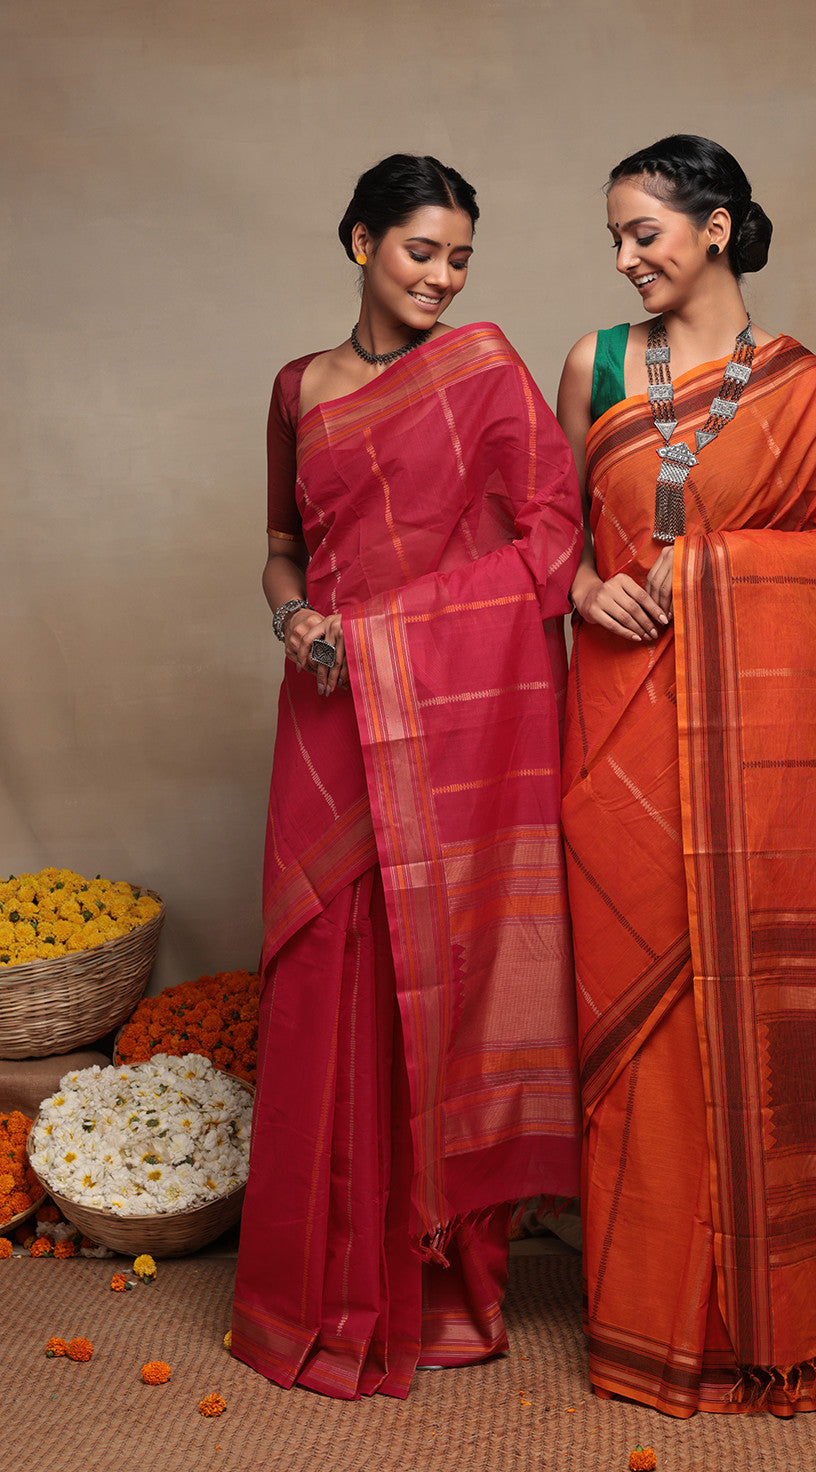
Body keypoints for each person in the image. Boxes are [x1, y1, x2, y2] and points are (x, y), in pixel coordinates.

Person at [558, 134, 816, 1418]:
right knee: (635, 1015)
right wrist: (582, 587)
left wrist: (709, 570)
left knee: (754, 1001)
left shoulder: (804, 389)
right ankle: (648, 1317)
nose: (623, 257)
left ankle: (775, 1307)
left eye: (643, 231)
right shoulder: (595, 365)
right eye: (614, 236)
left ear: (714, 227)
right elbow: (544, 530)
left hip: (752, 751)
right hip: (616, 727)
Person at [232, 154, 583, 1400]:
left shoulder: (483, 372)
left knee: (440, 973)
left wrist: (389, 631)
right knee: (326, 970)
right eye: (420, 251)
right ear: (360, 243)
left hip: (441, 712)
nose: (441, 278)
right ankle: (318, 1288)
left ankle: (439, 1286)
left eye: (459, 259)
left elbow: (551, 541)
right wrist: (294, 620)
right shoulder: (296, 388)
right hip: (328, 703)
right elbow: (281, 549)